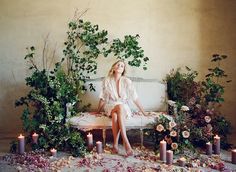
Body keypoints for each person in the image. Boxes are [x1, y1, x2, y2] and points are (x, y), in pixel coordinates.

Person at [95, 59, 146, 157]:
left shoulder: (127, 81)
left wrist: (144, 112)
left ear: (123, 70)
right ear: (113, 67)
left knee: (115, 115)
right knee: (118, 107)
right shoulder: (107, 80)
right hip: (111, 105)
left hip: (123, 107)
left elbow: (135, 98)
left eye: (122, 66)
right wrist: (97, 111)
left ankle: (115, 145)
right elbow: (103, 98)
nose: (119, 67)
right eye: (118, 65)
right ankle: (126, 142)